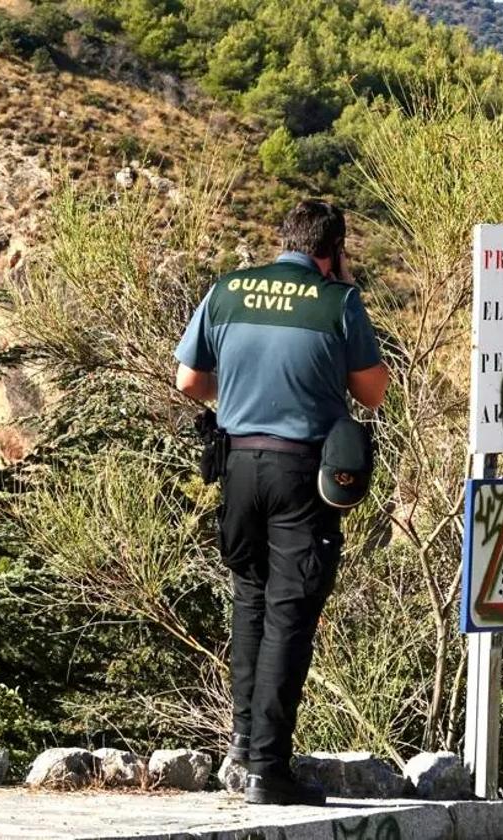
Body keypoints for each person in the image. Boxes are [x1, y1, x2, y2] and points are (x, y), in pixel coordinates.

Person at [173, 200, 389, 805]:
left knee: (250, 598)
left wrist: (239, 391)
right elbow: (373, 393)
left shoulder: (228, 289)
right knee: (290, 614)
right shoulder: (337, 301)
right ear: (333, 250)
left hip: (237, 463)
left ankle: (244, 747)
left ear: (284, 241)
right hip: (302, 473)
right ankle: (270, 770)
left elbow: (190, 381)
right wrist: (347, 291)